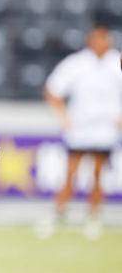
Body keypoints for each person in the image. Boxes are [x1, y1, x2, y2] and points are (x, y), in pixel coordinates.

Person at [40, 25, 122, 240]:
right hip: (80, 128)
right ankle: (59, 212)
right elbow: (52, 89)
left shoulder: (116, 62)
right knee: (70, 172)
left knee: (98, 173)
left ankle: (94, 216)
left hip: (106, 129)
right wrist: (64, 116)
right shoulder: (77, 63)